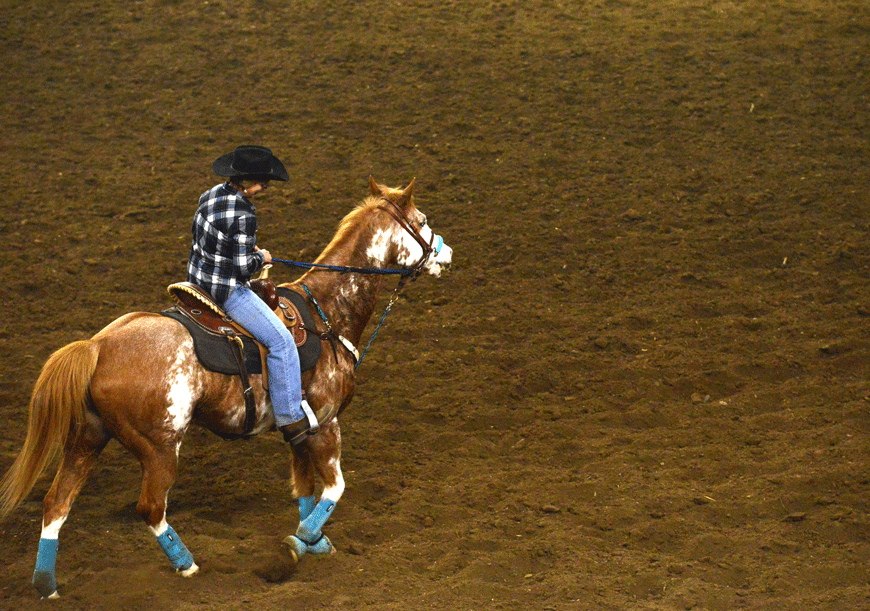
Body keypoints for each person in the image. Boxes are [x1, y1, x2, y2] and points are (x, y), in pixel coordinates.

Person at [187, 145, 319, 444]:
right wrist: (263, 259)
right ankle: (290, 419)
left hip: (196, 282)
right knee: (282, 342)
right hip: (225, 291)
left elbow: (207, 241)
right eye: (260, 182)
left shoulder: (208, 195)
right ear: (244, 180)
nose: (264, 187)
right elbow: (243, 268)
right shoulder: (245, 213)